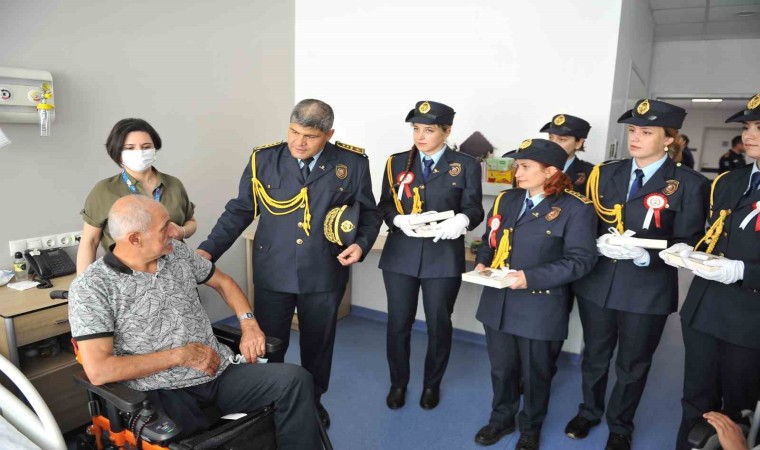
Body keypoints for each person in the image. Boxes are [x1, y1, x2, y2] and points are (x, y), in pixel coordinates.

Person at [68, 196, 321, 449]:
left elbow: (224, 282)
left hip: (218, 372)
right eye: (164, 227)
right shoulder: (93, 287)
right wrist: (180, 356)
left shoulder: (177, 253)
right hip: (161, 391)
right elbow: (100, 370)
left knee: (295, 380)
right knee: (197, 442)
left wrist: (249, 324)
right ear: (135, 239)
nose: (174, 231)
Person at [197, 99, 382, 428]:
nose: (299, 142)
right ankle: (268, 404)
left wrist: (362, 244)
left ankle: (312, 401)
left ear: (328, 135)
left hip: (324, 272)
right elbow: (240, 210)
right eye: (294, 132)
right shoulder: (264, 159)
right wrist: (208, 251)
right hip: (274, 270)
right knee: (269, 344)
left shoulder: (352, 163)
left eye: (310, 136)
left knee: (318, 346)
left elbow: (369, 212)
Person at [565, 99, 709, 450]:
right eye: (632, 130)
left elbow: (689, 240)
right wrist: (595, 242)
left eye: (646, 132)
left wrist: (648, 256)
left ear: (669, 138)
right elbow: (586, 221)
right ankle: (589, 411)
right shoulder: (605, 173)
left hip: (648, 287)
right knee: (595, 355)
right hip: (599, 282)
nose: (635, 138)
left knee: (634, 363)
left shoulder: (688, 183)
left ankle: (620, 424)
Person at [472, 139, 598, 450]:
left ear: (551, 171)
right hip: (499, 301)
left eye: (526, 167)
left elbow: (581, 261)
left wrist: (529, 277)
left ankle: (530, 427)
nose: (517, 173)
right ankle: (501, 418)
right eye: (517, 166)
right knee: (502, 369)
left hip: (540, 305)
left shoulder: (576, 208)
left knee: (536, 373)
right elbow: (490, 239)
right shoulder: (507, 200)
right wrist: (482, 261)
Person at [378, 100, 484, 411]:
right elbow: (385, 204)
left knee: (439, 323)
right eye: (416, 129)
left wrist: (462, 220)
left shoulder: (465, 164)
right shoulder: (397, 162)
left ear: (447, 131)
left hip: (443, 257)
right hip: (401, 254)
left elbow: (475, 208)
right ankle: (398, 383)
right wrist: (398, 220)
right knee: (398, 322)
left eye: (429, 130)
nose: (420, 136)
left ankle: (431, 384)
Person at [672, 92, 760, 450]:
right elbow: (712, 234)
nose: (749, 134)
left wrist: (744, 271)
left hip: (751, 320)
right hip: (704, 309)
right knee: (695, 400)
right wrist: (687, 248)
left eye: (759, 127)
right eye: (748, 126)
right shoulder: (728, 181)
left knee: (739, 411)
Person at [77, 118, 197, 273]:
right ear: (118, 154)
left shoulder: (174, 184)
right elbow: (90, 242)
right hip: (126, 278)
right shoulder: (104, 190)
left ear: (154, 149)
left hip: (176, 272)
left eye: (146, 147)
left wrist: (182, 231)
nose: (139, 152)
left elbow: (191, 221)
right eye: (130, 148)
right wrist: (82, 284)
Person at [540, 113, 595, 194]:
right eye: (551, 138)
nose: (553, 144)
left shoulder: (591, 173)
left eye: (562, 139)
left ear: (578, 143)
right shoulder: (536, 165)